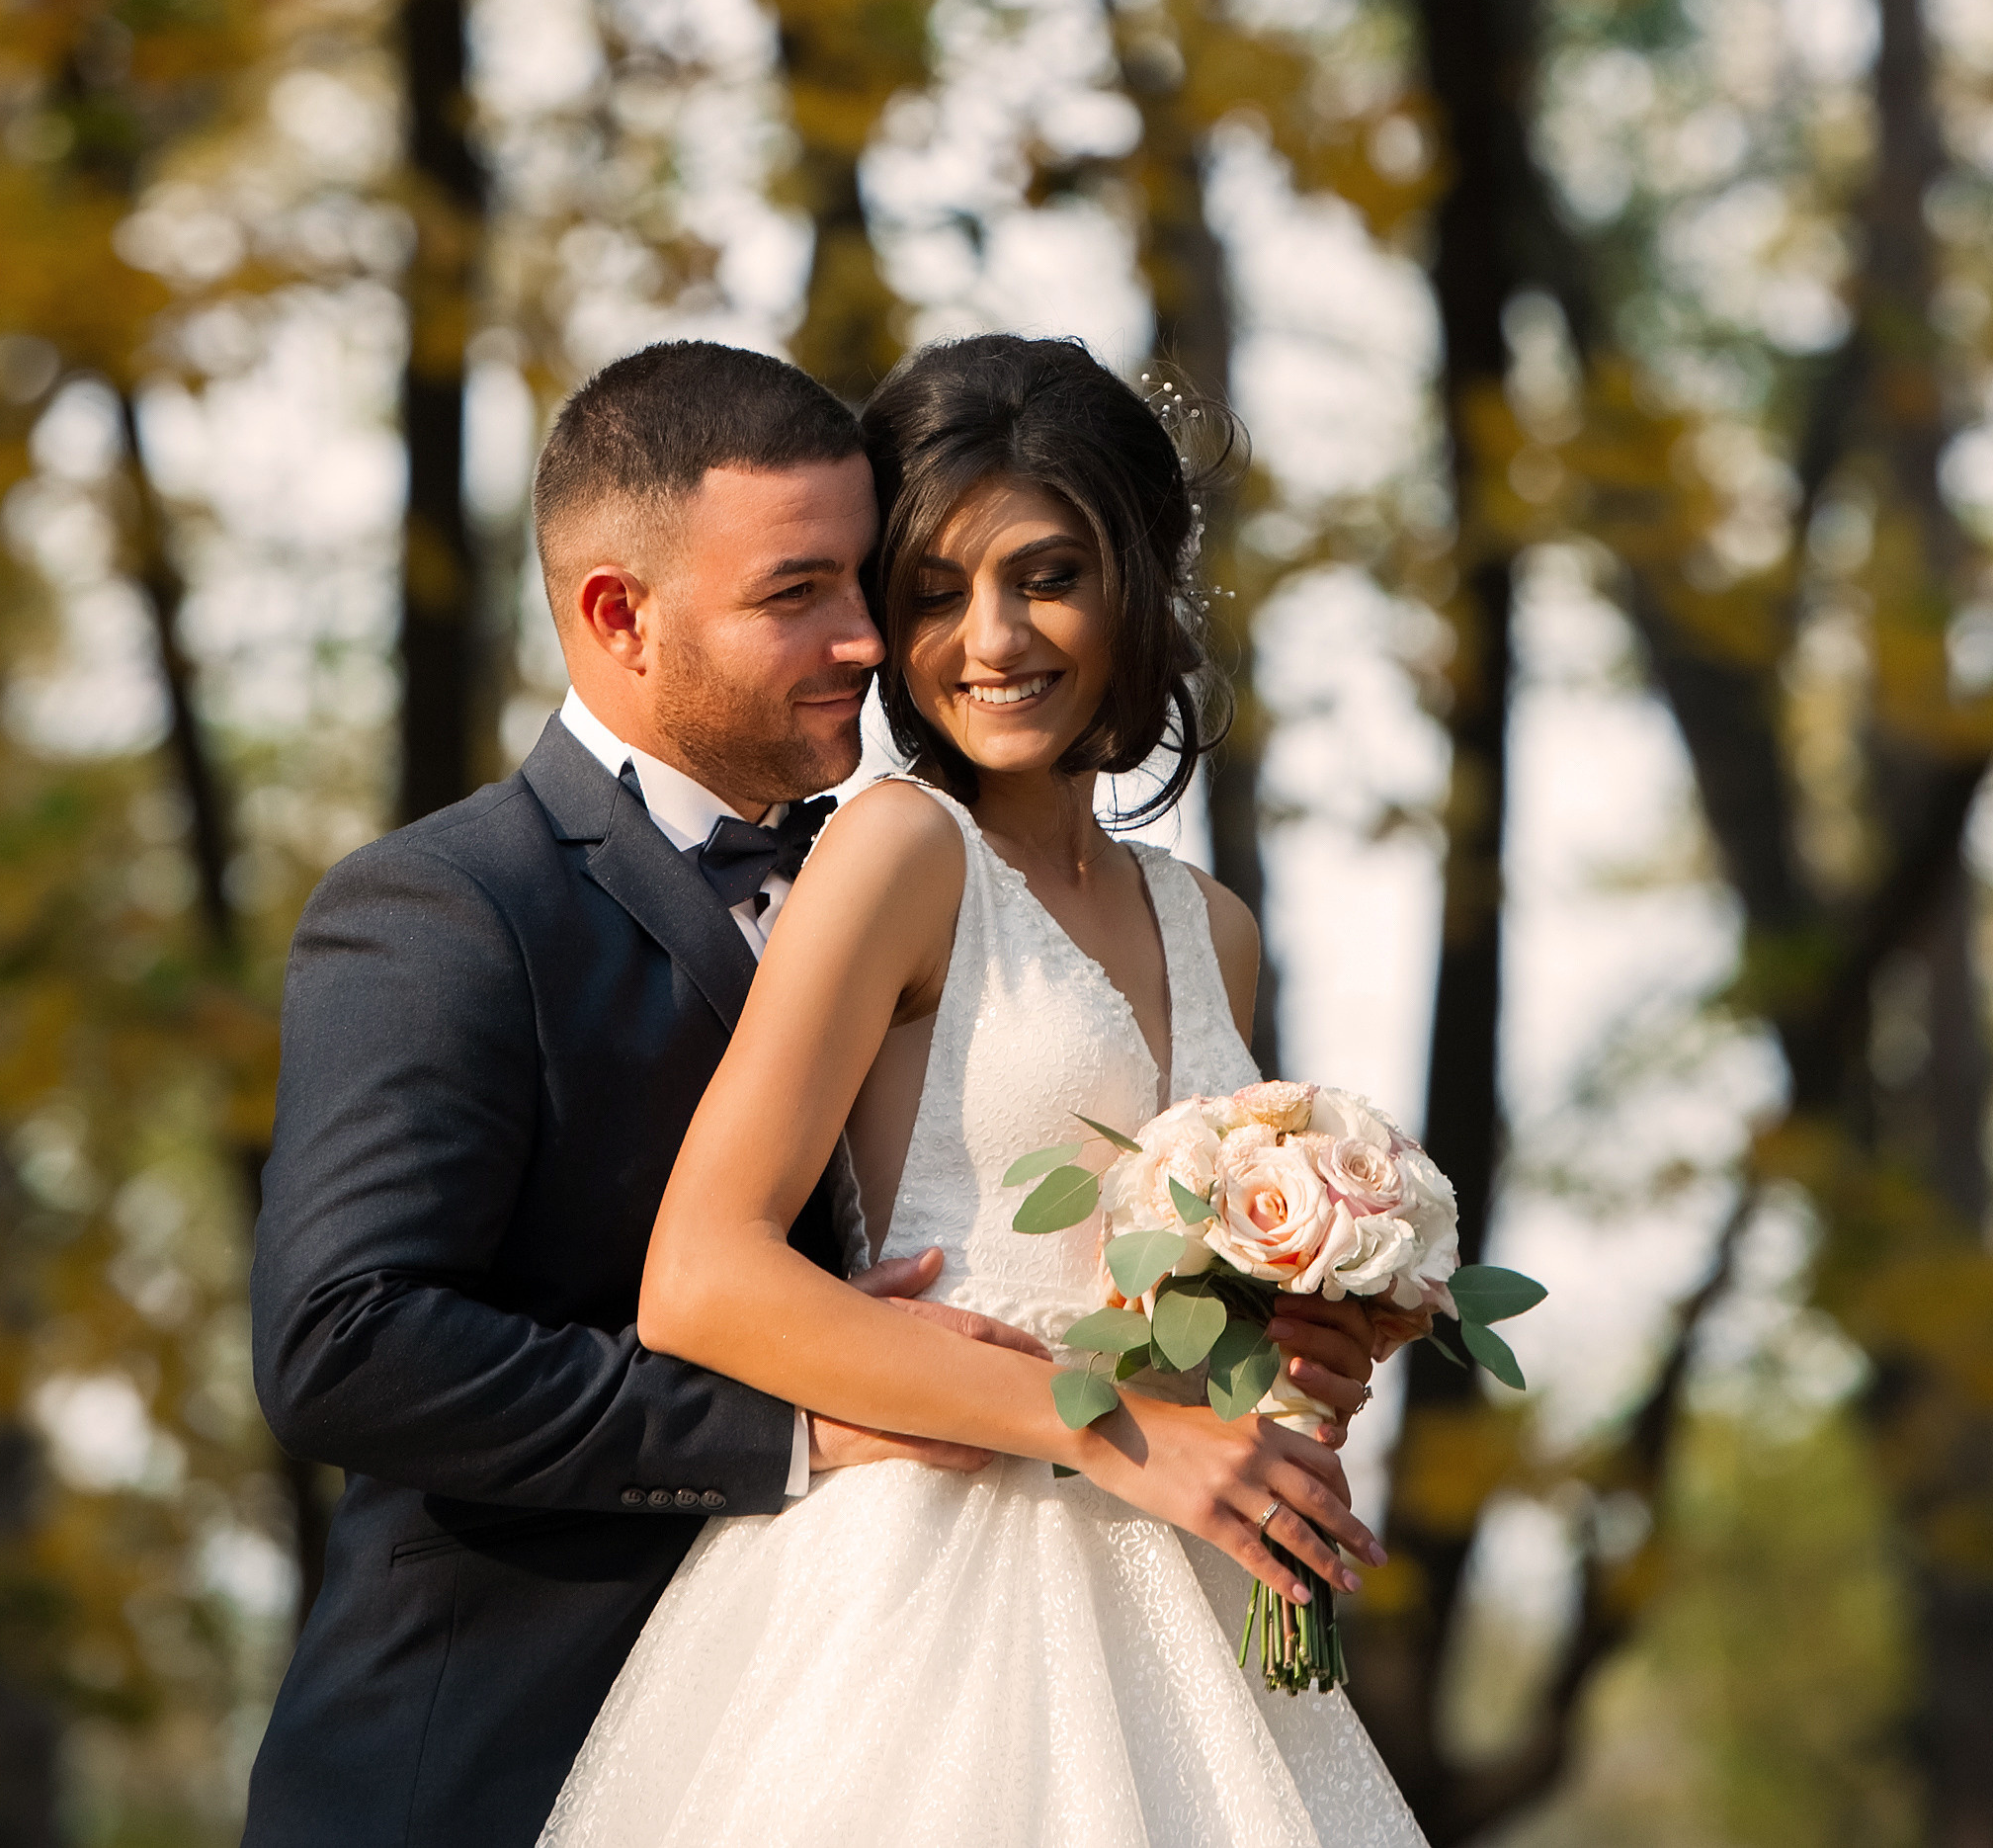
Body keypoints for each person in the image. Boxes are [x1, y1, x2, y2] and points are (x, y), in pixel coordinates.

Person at [541, 334, 1430, 1848]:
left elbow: (1158, 1312)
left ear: (1136, 583)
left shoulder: (1211, 928)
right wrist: (1124, 1431)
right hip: (929, 1597)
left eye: (1048, 576)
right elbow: (700, 1275)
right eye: (937, 591)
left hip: (1184, 1600)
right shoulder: (898, 853)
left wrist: (1291, 1345)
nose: (993, 638)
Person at [244, 339, 1058, 1848]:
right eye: (796, 592)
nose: (867, 640)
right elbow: (346, 1347)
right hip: (498, 1766)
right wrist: (798, 1414)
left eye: (866, 579)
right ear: (618, 615)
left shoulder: (924, 888)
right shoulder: (444, 908)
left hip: (865, 1740)